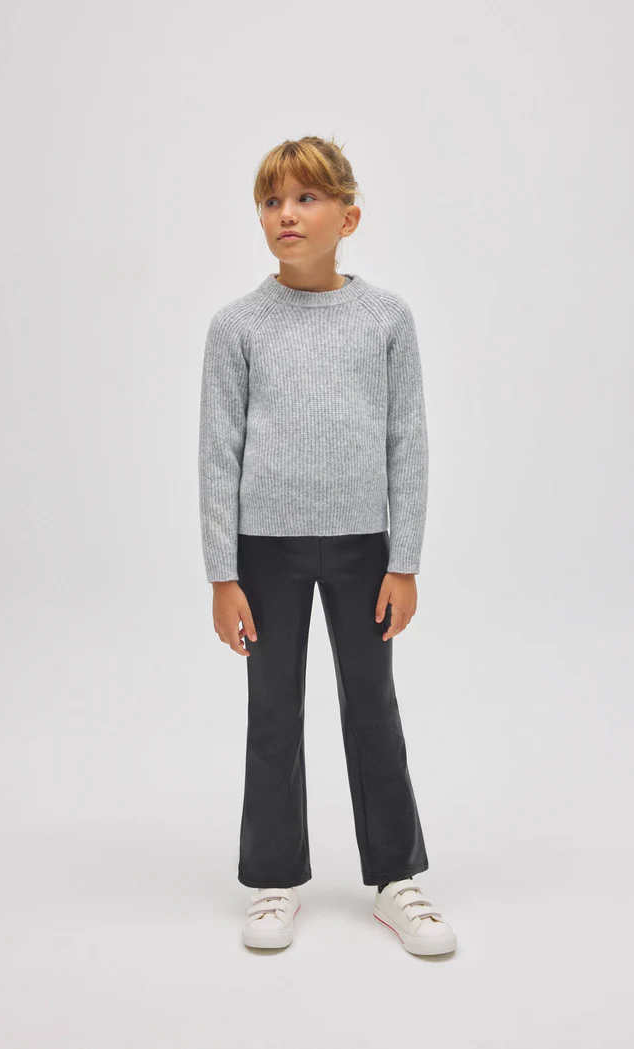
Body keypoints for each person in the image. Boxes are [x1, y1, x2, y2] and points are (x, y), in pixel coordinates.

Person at [198, 135, 457, 957]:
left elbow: (407, 442)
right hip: (265, 552)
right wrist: (223, 574)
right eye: (272, 200)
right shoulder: (236, 326)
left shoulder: (386, 320)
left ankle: (396, 878)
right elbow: (218, 454)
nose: (287, 214)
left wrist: (404, 560)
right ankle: (275, 877)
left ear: (348, 217)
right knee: (273, 709)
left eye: (306, 198)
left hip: (363, 551)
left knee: (372, 705)